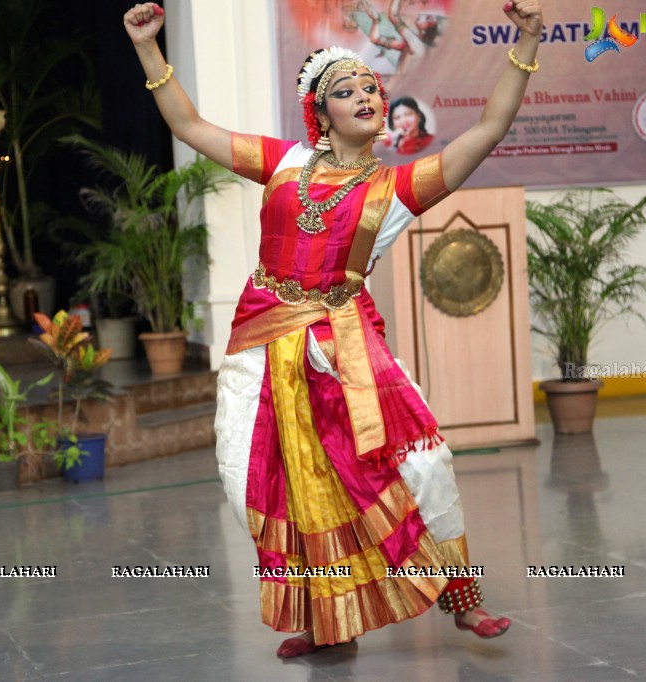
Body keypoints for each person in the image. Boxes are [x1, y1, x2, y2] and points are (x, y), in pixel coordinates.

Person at [123, 0, 542, 658]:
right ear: (320, 114)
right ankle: (329, 623)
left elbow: (488, 130)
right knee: (265, 483)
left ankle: (463, 601)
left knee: (421, 467)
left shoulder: (397, 189)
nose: (365, 96)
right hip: (263, 339)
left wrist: (525, 41)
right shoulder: (282, 161)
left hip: (343, 343)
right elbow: (188, 123)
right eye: (346, 91)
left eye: (371, 88)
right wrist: (149, 47)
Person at [362, 0, 441, 74]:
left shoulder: (417, 46)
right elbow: (376, 39)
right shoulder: (409, 46)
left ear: (424, 31)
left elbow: (394, 16)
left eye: (428, 18)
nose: (423, 14)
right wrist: (375, 20)